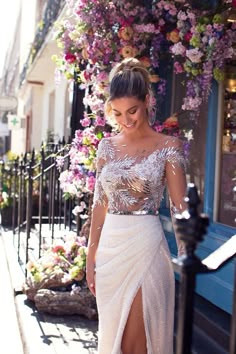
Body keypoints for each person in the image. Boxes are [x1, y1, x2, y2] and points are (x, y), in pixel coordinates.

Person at [86, 57, 187, 354]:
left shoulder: (168, 146)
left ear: (147, 101)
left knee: (138, 341)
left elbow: (181, 208)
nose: (126, 120)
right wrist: (90, 258)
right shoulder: (106, 147)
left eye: (132, 110)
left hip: (146, 246)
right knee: (112, 339)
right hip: (109, 251)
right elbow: (99, 205)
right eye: (117, 113)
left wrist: (187, 256)